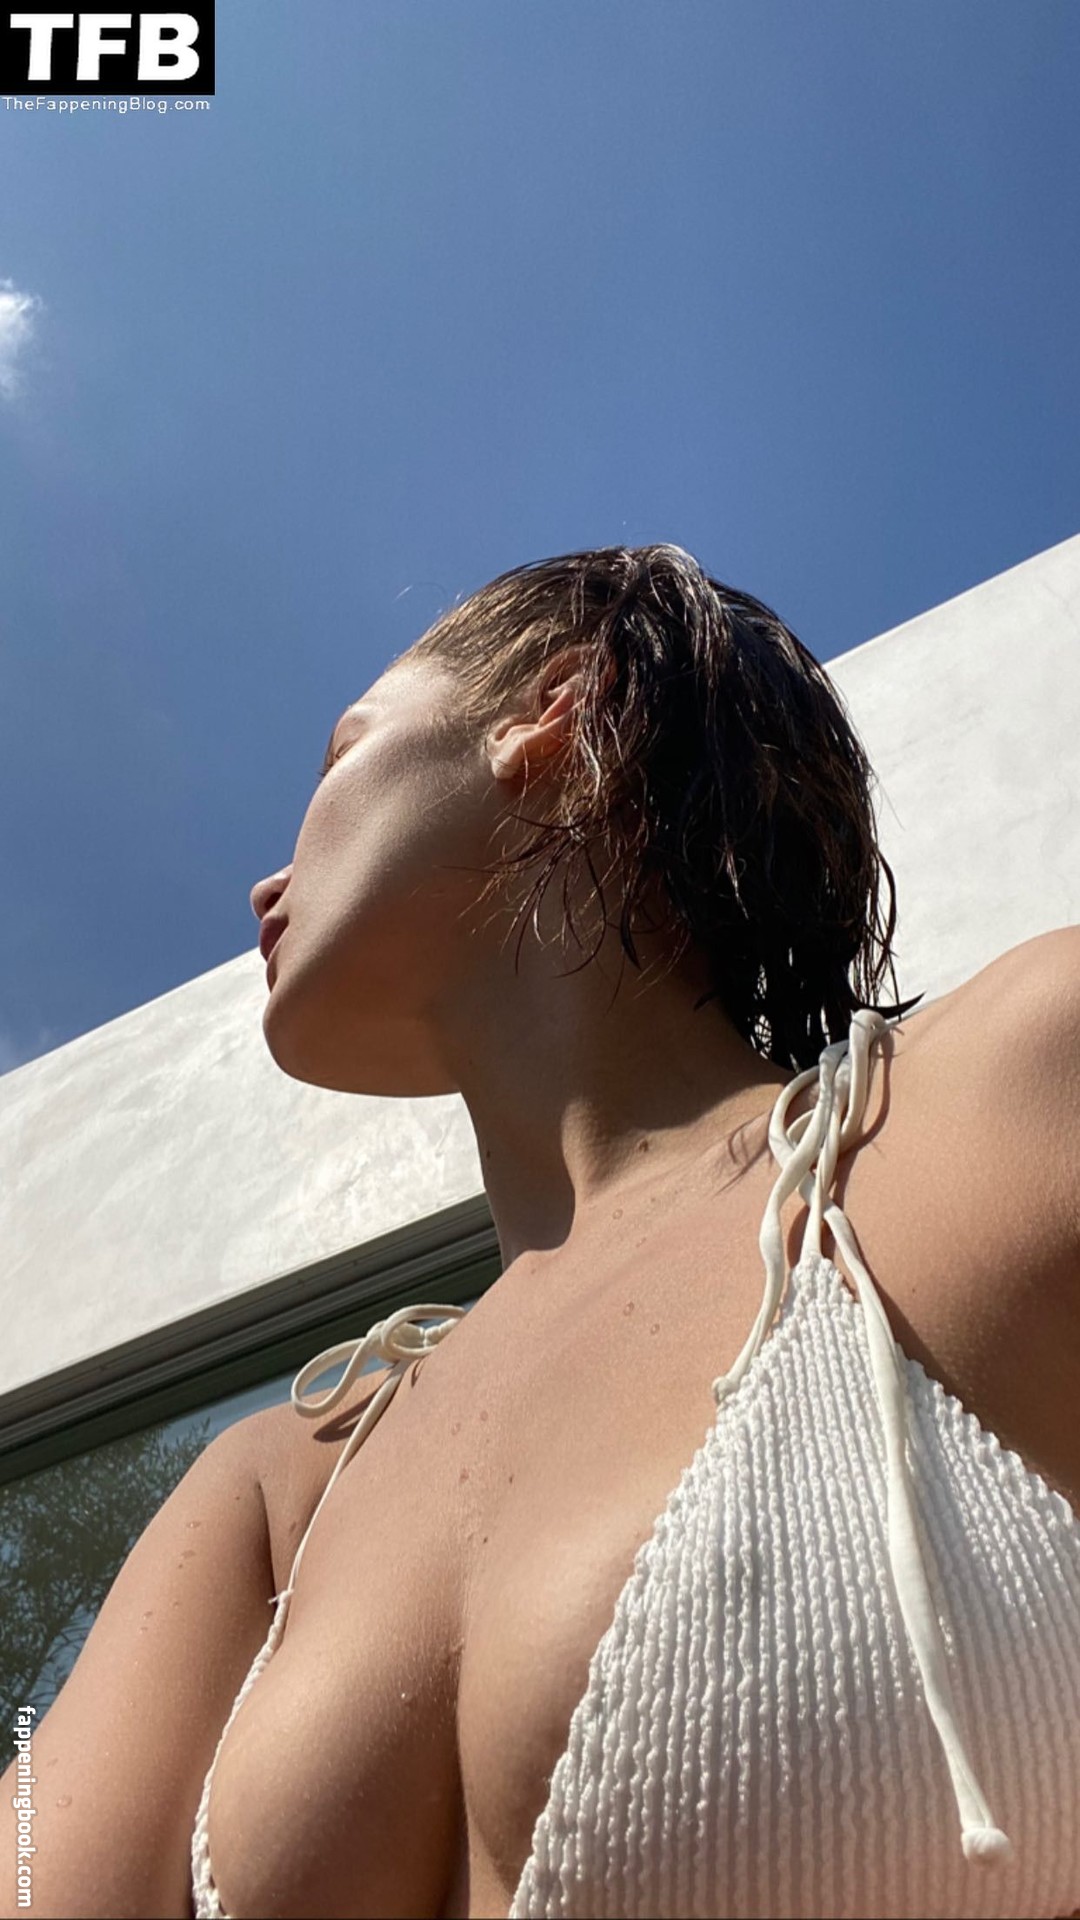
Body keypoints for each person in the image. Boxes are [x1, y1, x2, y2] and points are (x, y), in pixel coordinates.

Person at [3, 545, 1078, 1920]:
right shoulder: (283, 1485)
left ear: (553, 712)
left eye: (341, 753)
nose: (264, 886)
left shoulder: (1006, 1101)